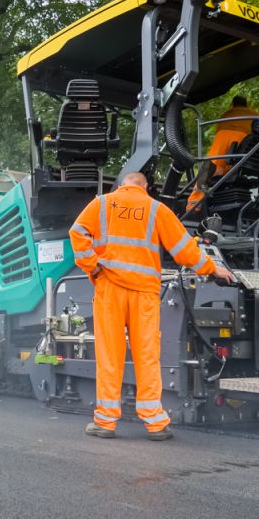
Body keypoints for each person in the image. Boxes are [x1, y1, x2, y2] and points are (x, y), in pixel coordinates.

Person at [70, 172, 236, 440]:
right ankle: (155, 423)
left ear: (123, 184)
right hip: (144, 293)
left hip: (109, 289)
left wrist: (93, 266)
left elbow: (77, 232)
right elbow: (183, 249)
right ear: (146, 187)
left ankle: (105, 422)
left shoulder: (102, 203)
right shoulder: (156, 209)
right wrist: (211, 268)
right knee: (147, 356)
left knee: (109, 356)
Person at [187, 95, 259, 212]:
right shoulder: (257, 118)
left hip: (230, 160)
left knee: (208, 168)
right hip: (252, 165)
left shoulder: (225, 118)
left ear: (233, 104)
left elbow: (212, 163)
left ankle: (194, 205)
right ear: (246, 104)